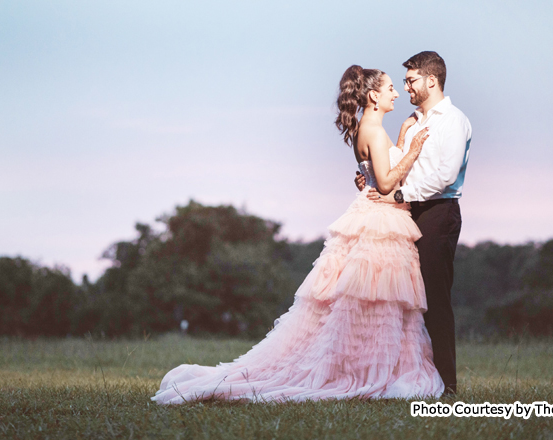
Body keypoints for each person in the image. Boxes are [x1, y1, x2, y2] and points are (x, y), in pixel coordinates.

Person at [151, 65, 444, 404]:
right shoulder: (375, 132)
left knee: (369, 304)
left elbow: (377, 175)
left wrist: (405, 134)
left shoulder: (370, 128)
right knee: (376, 301)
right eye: (391, 88)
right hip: (381, 220)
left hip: (371, 211)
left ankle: (367, 365)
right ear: (373, 96)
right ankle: (368, 371)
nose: (396, 93)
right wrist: (414, 148)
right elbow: (389, 182)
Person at [356, 51, 471, 396]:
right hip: (406, 214)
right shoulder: (415, 121)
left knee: (434, 298)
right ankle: (411, 375)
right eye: (402, 81)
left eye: (411, 80)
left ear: (431, 80)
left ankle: (446, 385)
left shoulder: (452, 120)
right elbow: (397, 165)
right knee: (406, 299)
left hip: (438, 213)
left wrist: (398, 195)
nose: (405, 86)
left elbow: (443, 176)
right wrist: (373, 182)